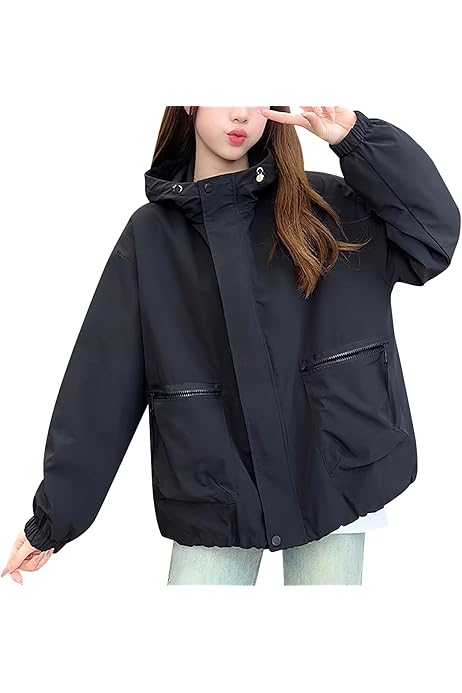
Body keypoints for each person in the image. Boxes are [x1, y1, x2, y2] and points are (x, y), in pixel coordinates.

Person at [2, 106, 460, 585]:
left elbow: (432, 237)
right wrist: (54, 519)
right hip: (217, 496)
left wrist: (357, 139)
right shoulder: (152, 238)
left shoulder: (327, 206)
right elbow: (102, 385)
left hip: (335, 482)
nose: (241, 112)